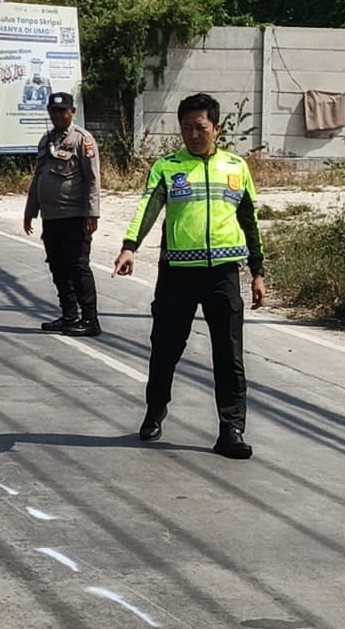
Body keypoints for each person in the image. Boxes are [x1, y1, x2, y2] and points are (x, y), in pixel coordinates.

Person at [114, 93, 264, 459]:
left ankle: (231, 429)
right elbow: (147, 208)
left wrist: (258, 271)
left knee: (229, 355)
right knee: (165, 349)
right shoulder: (168, 167)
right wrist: (130, 246)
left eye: (200, 127)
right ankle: (155, 409)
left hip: (224, 274)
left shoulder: (236, 167)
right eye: (186, 128)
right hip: (178, 274)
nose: (193, 135)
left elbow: (250, 221)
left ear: (217, 128)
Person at [22, 91, 104, 336]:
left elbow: (92, 179)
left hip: (75, 215)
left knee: (78, 267)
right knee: (58, 267)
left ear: (72, 113)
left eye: (62, 111)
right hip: (52, 217)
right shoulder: (46, 140)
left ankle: (90, 319)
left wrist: (92, 213)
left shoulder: (82, 140)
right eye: (53, 111)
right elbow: (38, 177)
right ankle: (69, 314)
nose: (57, 115)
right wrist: (30, 211)